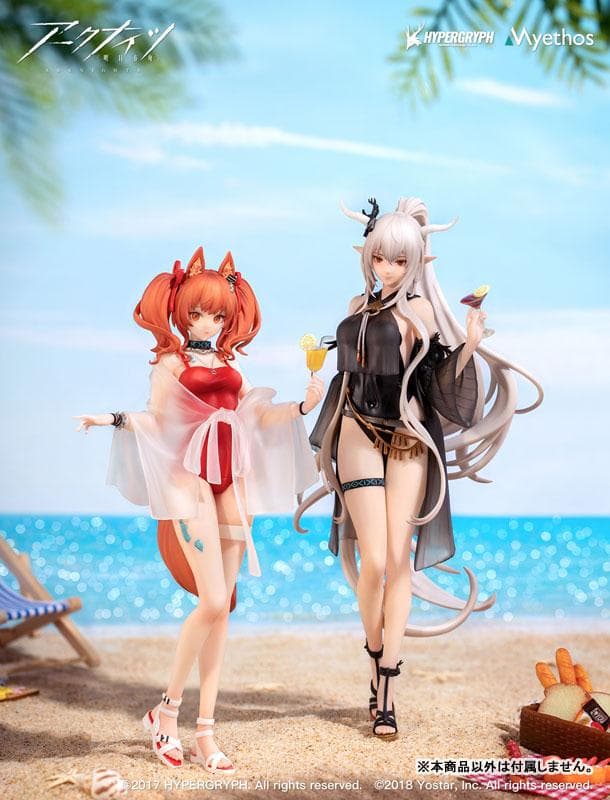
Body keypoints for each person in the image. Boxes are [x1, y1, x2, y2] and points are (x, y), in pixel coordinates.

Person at [295, 197, 543, 740]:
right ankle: (375, 653)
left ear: (413, 263)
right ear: (369, 256)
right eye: (381, 257)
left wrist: (469, 345)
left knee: (398, 562)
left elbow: (436, 382)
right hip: (357, 429)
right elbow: (347, 375)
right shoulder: (355, 304)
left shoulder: (422, 312)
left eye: (400, 260)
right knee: (373, 560)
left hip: (407, 435)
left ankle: (386, 686)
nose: (387, 268)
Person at [75, 246, 323, 772]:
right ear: (180, 313)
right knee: (210, 601)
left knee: (224, 606)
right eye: (196, 313)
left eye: (215, 314)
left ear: (229, 316)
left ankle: (206, 731)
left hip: (232, 478)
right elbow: (156, 421)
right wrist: (110, 419)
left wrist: (302, 406)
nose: (206, 322)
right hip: (188, 480)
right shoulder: (171, 364)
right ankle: (166, 712)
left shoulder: (231, 365)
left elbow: (256, 414)